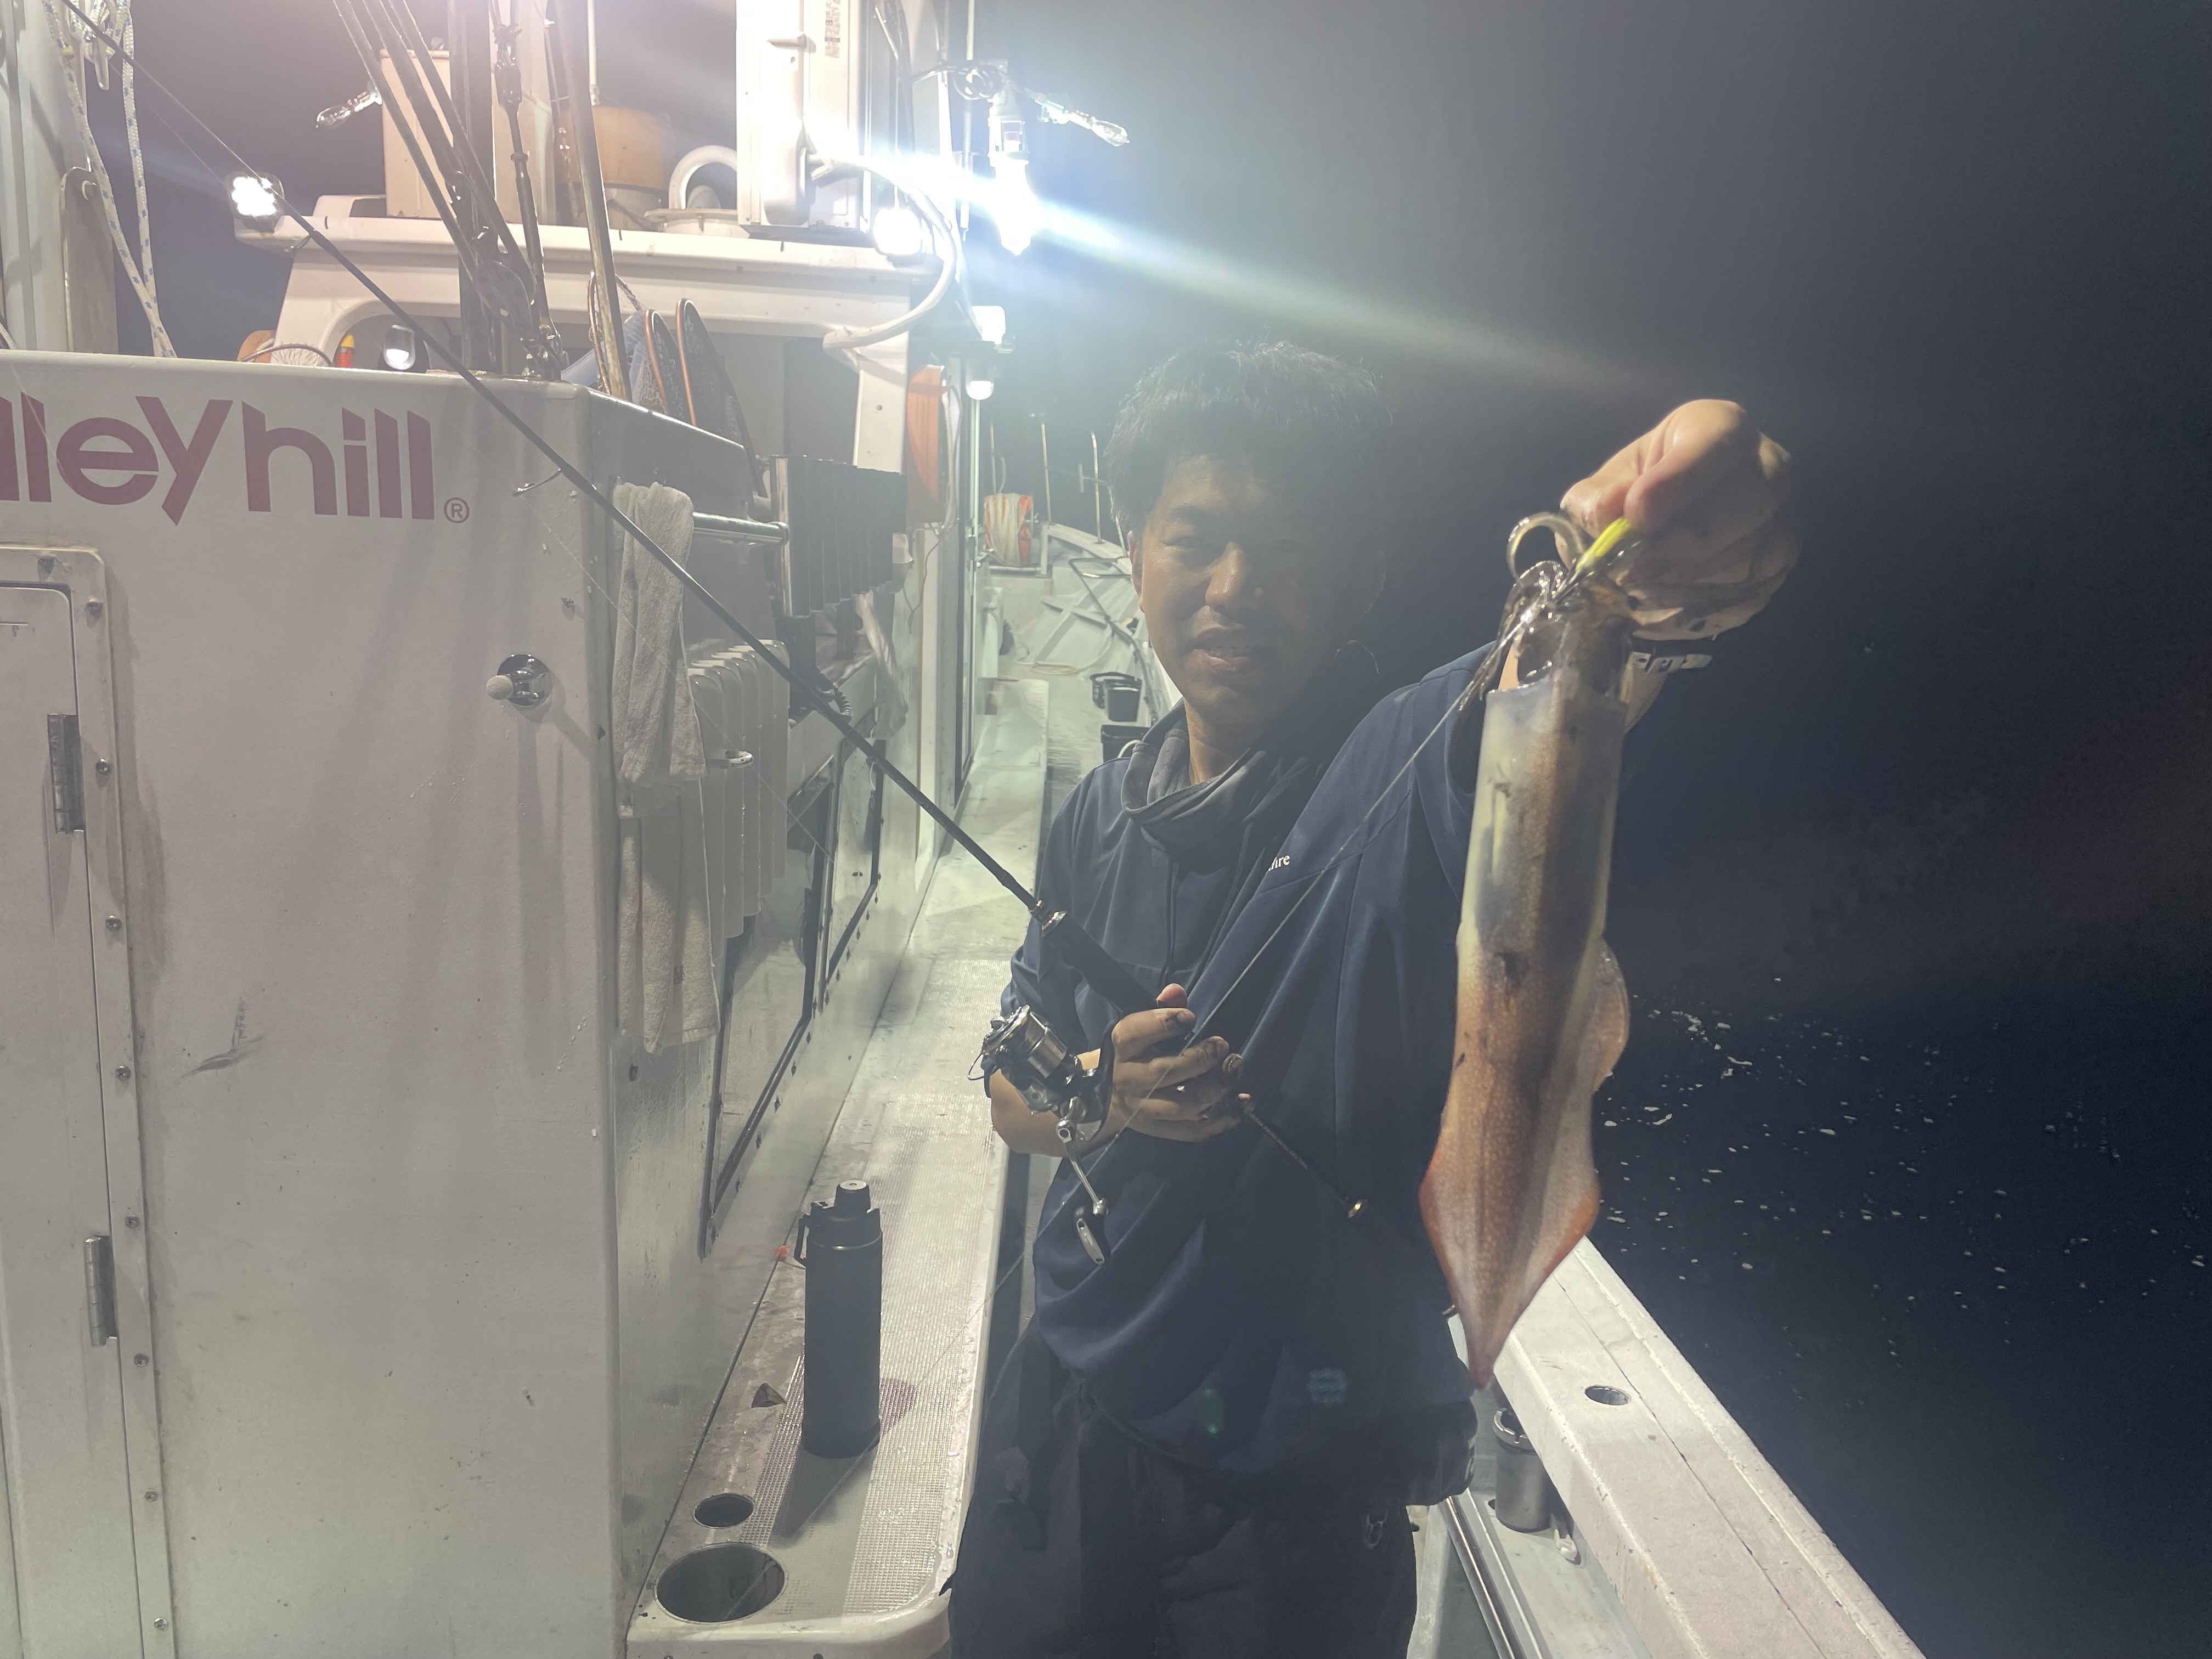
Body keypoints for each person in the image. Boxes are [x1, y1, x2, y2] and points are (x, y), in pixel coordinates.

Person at [950, 343, 1795, 1658]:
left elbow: (1544, 706)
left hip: (1284, 1522)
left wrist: (1677, 572)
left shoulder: (1405, 756)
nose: (1237, 587)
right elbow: (1014, 1077)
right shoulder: (1096, 815)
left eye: (1288, 550)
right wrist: (1100, 1095)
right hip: (1055, 1427)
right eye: (1198, 539)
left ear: (1357, 578)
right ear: (1133, 549)